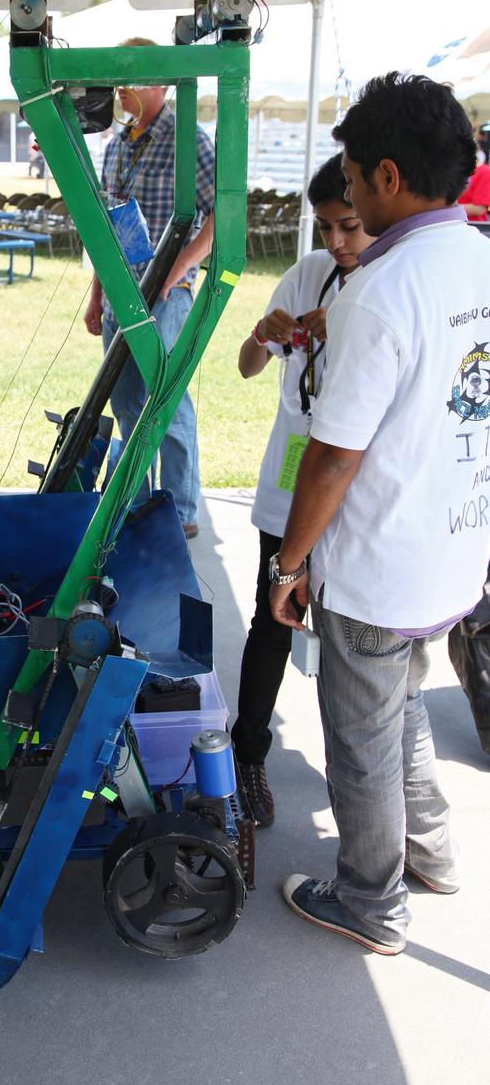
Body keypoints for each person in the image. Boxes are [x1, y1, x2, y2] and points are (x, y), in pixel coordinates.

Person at [270, 73, 490, 955]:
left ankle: (369, 900)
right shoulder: (478, 260)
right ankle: (429, 852)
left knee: (360, 737)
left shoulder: (377, 291)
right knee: (401, 704)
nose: (349, 192)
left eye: (354, 178)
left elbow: (331, 456)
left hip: (378, 565)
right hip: (451, 550)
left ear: (389, 176)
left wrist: (289, 566)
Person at [231, 154, 375, 826]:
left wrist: (340, 334)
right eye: (323, 228)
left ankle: (363, 786)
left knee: (349, 636)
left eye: (348, 225)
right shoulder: (306, 273)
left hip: (354, 490)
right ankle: (246, 756)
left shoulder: (386, 284)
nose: (336, 243)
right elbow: (245, 366)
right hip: (290, 481)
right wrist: (263, 336)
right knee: (271, 620)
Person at [83, 38, 215, 538]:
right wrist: (97, 294)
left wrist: (181, 265)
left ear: (161, 84)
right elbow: (107, 226)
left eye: (134, 78)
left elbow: (226, 210)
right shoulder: (116, 145)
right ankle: (135, 503)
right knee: (126, 401)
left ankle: (181, 513)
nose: (122, 90)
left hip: (165, 297)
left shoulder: (190, 140)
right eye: (119, 79)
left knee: (167, 398)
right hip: (120, 293)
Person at [456, 123, 490, 221]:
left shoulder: (485, 171)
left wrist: (441, 209)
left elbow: (479, 209)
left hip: (475, 226)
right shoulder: (455, 171)